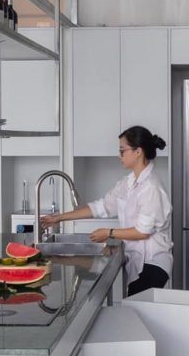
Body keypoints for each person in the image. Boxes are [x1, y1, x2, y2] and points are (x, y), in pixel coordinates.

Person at [39, 126, 173, 296]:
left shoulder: (151, 187)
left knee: (136, 316)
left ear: (138, 151)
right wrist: (59, 218)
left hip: (152, 264)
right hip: (138, 260)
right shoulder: (128, 183)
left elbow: (143, 232)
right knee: (134, 314)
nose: (119, 156)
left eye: (122, 151)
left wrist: (108, 232)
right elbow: (100, 207)